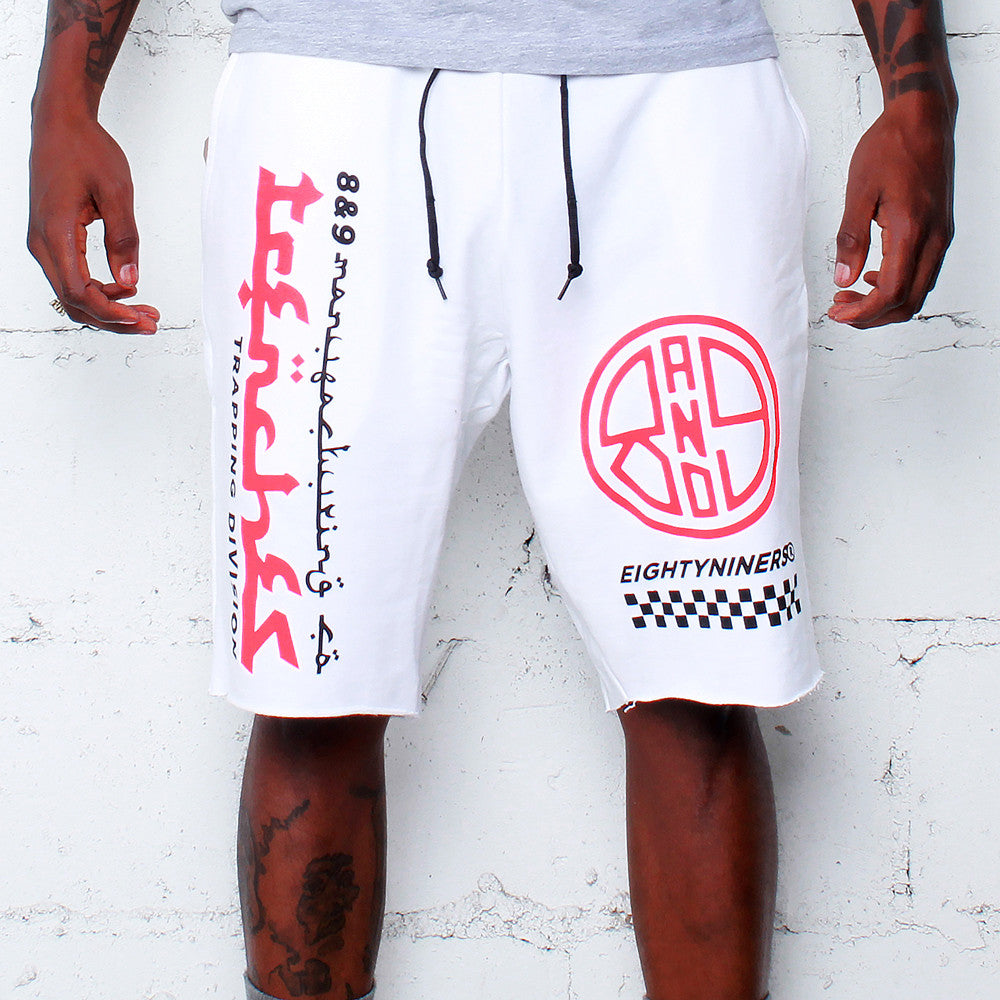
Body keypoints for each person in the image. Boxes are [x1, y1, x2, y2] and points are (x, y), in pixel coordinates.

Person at [27, 1, 956, 998]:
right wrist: (64, 98)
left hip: (673, 95)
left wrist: (919, 96)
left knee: (699, 675)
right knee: (311, 676)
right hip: (330, 91)